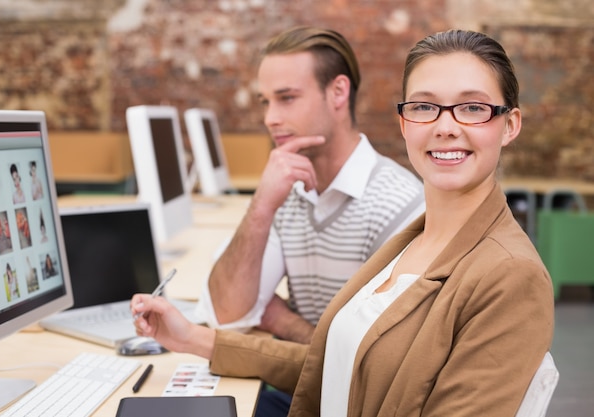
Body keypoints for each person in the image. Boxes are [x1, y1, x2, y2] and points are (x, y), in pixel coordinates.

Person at [132, 29, 555, 417]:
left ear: (509, 125)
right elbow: (337, 359)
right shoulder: (412, 243)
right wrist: (190, 338)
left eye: (472, 108)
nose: (445, 126)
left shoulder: (510, 275)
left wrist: (276, 321)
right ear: (404, 123)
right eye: (425, 106)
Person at [197, 26, 425, 346]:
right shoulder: (287, 191)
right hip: (299, 390)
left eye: (287, 98)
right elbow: (228, 317)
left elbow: (370, 358)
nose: (270, 118)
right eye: (265, 102)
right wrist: (262, 205)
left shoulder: (400, 205)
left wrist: (281, 319)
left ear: (338, 92)